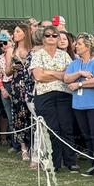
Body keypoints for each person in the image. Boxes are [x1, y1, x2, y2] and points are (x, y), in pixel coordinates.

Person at [29, 25, 77, 170]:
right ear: (43, 39)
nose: (51, 38)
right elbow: (38, 76)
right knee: (51, 128)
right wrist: (57, 74)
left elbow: (68, 76)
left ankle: (71, 161)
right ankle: (54, 163)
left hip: (64, 95)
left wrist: (48, 72)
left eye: (54, 35)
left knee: (66, 127)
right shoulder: (38, 55)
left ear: (58, 38)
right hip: (44, 96)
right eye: (48, 35)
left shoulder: (64, 55)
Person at [63, 33, 94, 178]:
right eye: (76, 43)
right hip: (79, 105)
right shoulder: (75, 64)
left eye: (80, 44)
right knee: (87, 135)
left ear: (88, 46)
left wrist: (80, 84)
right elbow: (66, 78)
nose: (76, 46)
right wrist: (80, 73)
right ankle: (93, 165)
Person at [4, 22, 34, 161]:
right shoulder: (11, 50)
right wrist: (13, 68)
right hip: (16, 84)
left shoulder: (32, 49)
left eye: (17, 31)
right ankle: (23, 148)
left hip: (29, 84)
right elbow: (7, 71)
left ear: (24, 33)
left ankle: (33, 145)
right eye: (14, 32)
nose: (14, 34)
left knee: (30, 114)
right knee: (18, 115)